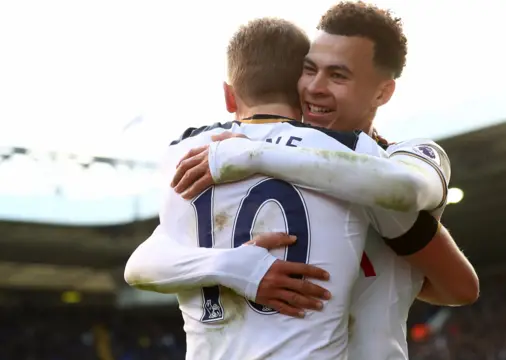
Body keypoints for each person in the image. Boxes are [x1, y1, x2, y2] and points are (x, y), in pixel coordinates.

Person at [125, 16, 449, 360]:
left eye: (337, 74)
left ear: (228, 95)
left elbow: (142, 266)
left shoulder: (187, 152)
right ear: (301, 88)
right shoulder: (357, 156)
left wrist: (254, 156)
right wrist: (240, 267)